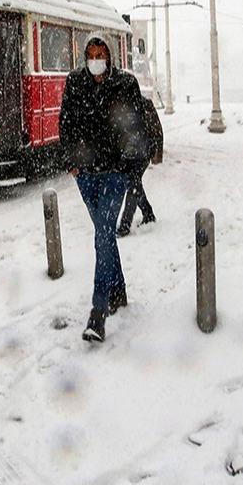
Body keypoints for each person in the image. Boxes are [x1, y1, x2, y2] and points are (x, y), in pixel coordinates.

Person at [59, 33, 151, 343]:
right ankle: (119, 291)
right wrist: (71, 161)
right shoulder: (75, 82)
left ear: (109, 57)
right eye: (91, 54)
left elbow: (134, 123)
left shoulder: (125, 83)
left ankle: (97, 314)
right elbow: (66, 123)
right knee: (106, 235)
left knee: (101, 235)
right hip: (86, 175)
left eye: (101, 54)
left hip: (114, 173)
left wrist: (128, 164)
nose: (96, 60)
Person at [117, 91, 163, 237]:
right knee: (134, 184)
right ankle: (148, 214)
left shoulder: (144, 104)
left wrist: (156, 153)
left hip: (143, 153)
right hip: (128, 154)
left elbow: (156, 129)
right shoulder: (121, 107)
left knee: (133, 184)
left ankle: (125, 225)